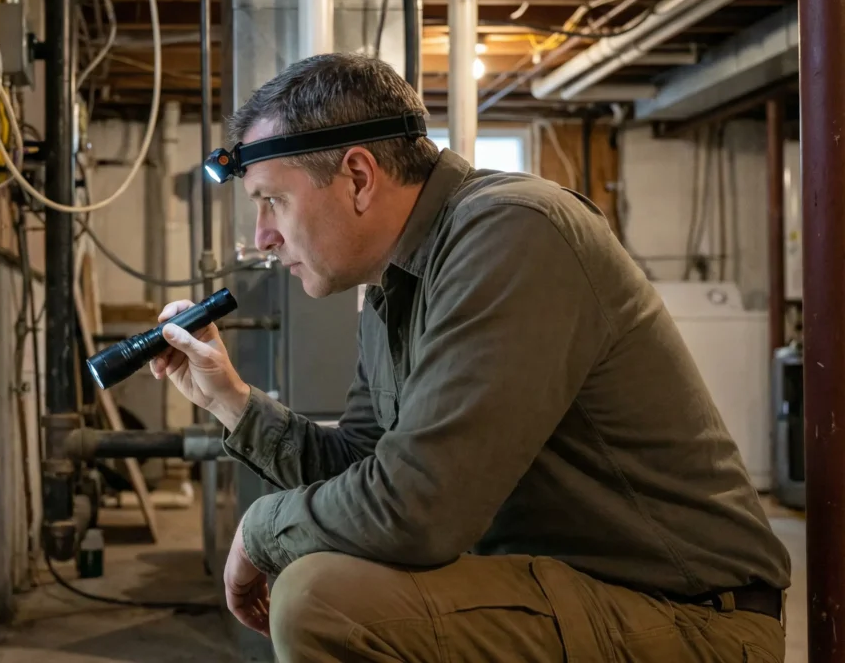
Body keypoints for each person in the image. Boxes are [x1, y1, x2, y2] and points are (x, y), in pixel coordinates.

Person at [148, 52, 791, 662]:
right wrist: (229, 400)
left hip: (689, 618)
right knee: (326, 577)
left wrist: (263, 527)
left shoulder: (515, 232)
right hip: (562, 591)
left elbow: (414, 511)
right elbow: (365, 468)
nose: (263, 236)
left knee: (322, 600)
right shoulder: (393, 287)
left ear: (358, 177)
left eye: (272, 200)